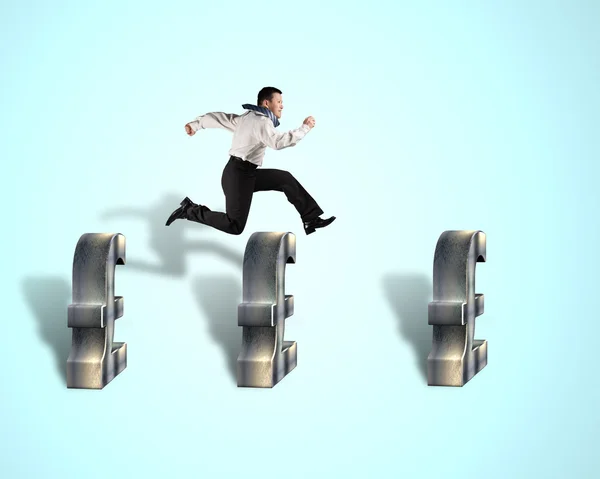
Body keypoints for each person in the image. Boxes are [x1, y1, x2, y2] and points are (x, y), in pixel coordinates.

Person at [165, 87, 335, 235]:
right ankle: (189, 210)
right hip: (238, 177)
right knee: (235, 226)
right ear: (266, 104)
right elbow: (278, 142)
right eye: (279, 101)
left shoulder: (247, 118)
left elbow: (219, 118)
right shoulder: (262, 122)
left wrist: (196, 124)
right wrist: (305, 127)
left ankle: (310, 218)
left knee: (285, 179)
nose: (282, 105)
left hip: (244, 173)